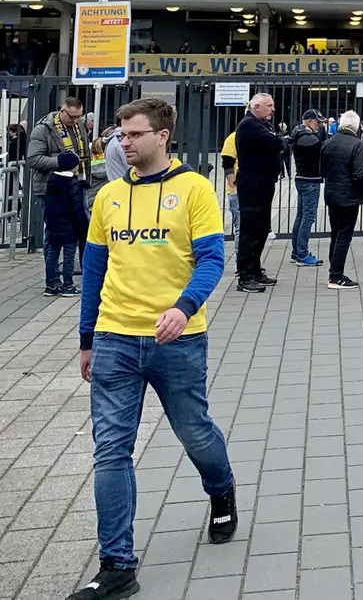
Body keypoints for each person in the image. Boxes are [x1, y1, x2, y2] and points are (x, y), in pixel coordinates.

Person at [72, 97, 235, 600]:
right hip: (115, 337)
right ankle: (117, 565)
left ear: (162, 136)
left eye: (135, 134)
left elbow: (211, 259)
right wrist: (86, 338)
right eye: (121, 135)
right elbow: (95, 270)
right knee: (111, 450)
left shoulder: (194, 189)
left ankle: (221, 489)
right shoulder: (108, 196)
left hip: (178, 340)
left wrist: (183, 307)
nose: (125, 143)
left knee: (195, 432)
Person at [27, 95, 90, 255]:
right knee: (55, 233)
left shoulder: (79, 126)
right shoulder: (43, 129)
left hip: (77, 184)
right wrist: (60, 162)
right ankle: (52, 277)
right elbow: (33, 159)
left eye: (79, 116)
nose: (75, 120)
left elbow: (84, 154)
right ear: (62, 110)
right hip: (52, 187)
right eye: (72, 116)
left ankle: (77, 273)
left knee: (81, 229)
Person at [233, 93, 284, 292]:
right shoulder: (249, 125)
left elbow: (278, 143)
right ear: (256, 107)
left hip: (263, 182)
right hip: (252, 184)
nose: (273, 109)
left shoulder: (263, 124)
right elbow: (279, 144)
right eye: (269, 106)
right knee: (251, 229)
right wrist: (277, 141)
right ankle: (245, 276)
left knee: (262, 228)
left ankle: (254, 271)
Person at [320, 111, 363, 289]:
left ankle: (334, 271)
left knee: (335, 233)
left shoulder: (328, 142)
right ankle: (336, 276)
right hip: (349, 196)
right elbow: (360, 174)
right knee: (344, 236)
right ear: (356, 127)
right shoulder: (357, 144)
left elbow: (322, 169)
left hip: (332, 193)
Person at [43, 149, 88, 297]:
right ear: (74, 166)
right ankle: (68, 285)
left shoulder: (52, 181)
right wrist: (83, 226)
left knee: (53, 253)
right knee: (69, 254)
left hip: (54, 223)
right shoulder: (73, 183)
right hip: (69, 225)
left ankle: (51, 284)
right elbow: (76, 207)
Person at [287, 110, 326, 268]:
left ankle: (296, 252)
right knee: (308, 217)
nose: (320, 125)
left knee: (301, 216)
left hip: (302, 178)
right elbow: (322, 151)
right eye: (318, 122)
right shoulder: (308, 138)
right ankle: (302, 254)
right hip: (310, 180)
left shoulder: (297, 133)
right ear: (309, 121)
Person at [219, 130, 240, 241]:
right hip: (239, 190)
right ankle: (240, 258)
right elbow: (227, 165)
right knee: (241, 227)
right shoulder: (233, 138)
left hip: (256, 188)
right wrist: (233, 187)